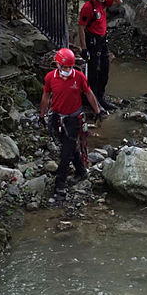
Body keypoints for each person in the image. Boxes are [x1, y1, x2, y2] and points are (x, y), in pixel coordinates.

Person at [40, 48, 103, 198]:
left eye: (70, 67)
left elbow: (88, 93)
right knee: (69, 147)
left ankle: (60, 184)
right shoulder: (50, 78)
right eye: (65, 67)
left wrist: (98, 111)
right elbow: (46, 96)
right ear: (58, 65)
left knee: (65, 153)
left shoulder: (79, 77)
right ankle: (81, 171)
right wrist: (42, 115)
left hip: (74, 120)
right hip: (56, 118)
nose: (67, 70)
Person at [79, 0, 123, 111]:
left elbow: (119, 2)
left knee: (104, 70)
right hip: (93, 42)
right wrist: (84, 48)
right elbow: (81, 27)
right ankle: (92, 99)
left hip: (102, 40)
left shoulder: (102, 4)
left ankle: (100, 97)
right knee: (93, 72)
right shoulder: (88, 7)